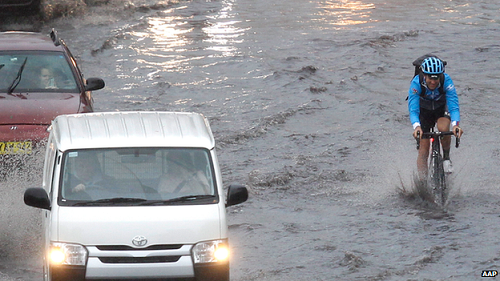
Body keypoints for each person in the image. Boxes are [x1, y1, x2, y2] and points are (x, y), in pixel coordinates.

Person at [408, 56, 464, 177]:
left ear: (441, 76)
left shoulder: (446, 81)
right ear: (424, 75)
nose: (433, 82)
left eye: (436, 78)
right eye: (430, 78)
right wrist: (417, 127)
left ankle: (447, 157)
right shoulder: (416, 83)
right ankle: (423, 182)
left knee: (444, 129)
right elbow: (413, 109)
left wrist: (455, 125)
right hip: (424, 111)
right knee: (424, 150)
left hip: (441, 109)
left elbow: (453, 106)